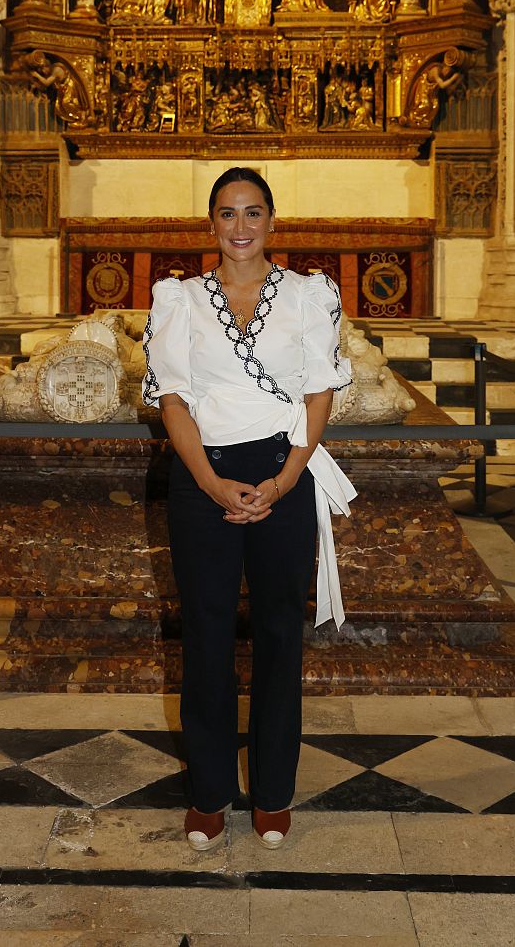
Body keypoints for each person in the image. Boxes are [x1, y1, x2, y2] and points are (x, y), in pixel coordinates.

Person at [142, 168, 356, 852]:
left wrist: (289, 476)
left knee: (278, 637)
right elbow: (172, 399)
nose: (240, 227)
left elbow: (320, 392)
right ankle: (208, 794)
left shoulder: (308, 295)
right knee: (204, 638)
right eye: (227, 214)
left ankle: (272, 792)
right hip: (202, 475)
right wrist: (207, 481)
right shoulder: (177, 300)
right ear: (210, 225)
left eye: (253, 213)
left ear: (272, 222)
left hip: (282, 473)